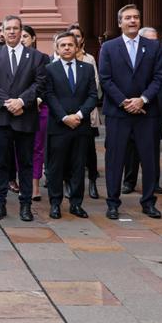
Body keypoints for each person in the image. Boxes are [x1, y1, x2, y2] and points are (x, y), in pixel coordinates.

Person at [98, 4, 162, 220]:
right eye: (128, 18)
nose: (133, 21)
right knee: (115, 160)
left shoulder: (153, 47)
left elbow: (158, 77)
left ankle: (148, 202)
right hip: (118, 113)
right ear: (120, 23)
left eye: (136, 17)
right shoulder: (109, 47)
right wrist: (125, 102)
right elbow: (105, 79)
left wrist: (142, 100)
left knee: (149, 159)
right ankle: (113, 203)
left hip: (146, 112)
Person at [0, 15, 48, 222]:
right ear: (2, 32)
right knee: (0, 163)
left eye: (15, 28)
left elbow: (39, 84)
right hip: (1, 118)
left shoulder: (36, 56)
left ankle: (25, 205)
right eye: (7, 28)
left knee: (26, 163)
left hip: (25, 117)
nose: (11, 32)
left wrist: (21, 101)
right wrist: (8, 103)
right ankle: (0, 205)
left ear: (21, 31)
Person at [44, 32, 98, 219]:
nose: (67, 48)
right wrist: (64, 117)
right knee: (56, 167)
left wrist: (80, 115)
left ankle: (76, 204)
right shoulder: (50, 69)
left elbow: (93, 95)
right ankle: (55, 204)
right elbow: (49, 95)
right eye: (63, 45)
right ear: (57, 49)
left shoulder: (87, 69)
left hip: (81, 126)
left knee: (78, 166)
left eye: (70, 45)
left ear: (77, 47)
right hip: (58, 127)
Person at [123, 27, 162, 196]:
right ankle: (129, 181)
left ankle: (153, 183)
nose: (153, 43)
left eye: (155, 40)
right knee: (131, 150)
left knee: (152, 150)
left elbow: (160, 81)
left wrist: (145, 99)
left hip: (153, 108)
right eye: (149, 39)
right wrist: (131, 102)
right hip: (128, 107)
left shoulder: (160, 57)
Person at [67, 24, 101, 199]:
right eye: (72, 35)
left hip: (86, 113)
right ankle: (69, 183)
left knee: (89, 151)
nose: (75, 39)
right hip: (66, 115)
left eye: (78, 36)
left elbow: (95, 86)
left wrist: (82, 110)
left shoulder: (89, 60)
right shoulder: (59, 59)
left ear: (82, 39)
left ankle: (93, 181)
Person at [20, 25, 49, 200]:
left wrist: (38, 98)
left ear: (33, 38)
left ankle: (35, 184)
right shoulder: (11, 58)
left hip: (39, 108)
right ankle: (22, 181)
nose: (22, 39)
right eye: (20, 36)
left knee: (37, 147)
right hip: (19, 109)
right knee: (20, 148)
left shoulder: (43, 58)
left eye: (26, 36)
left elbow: (45, 83)